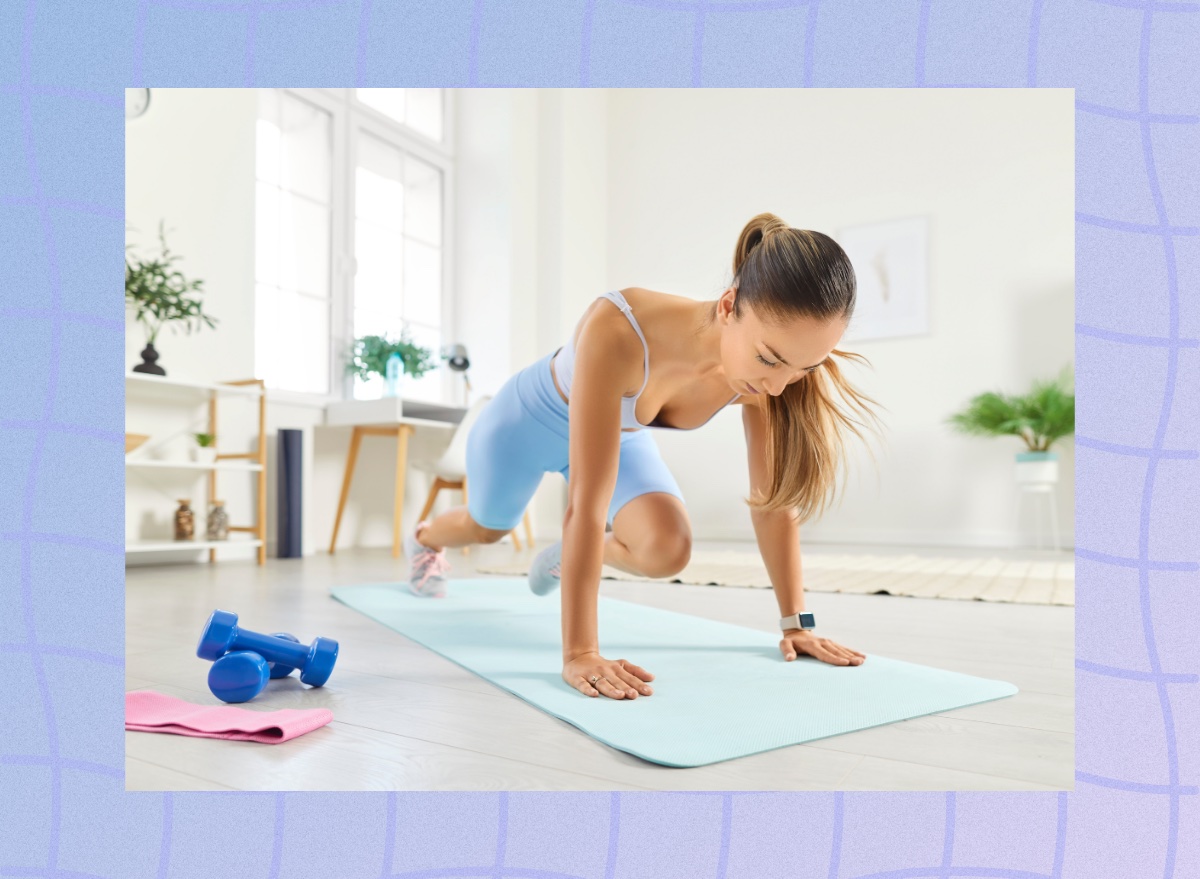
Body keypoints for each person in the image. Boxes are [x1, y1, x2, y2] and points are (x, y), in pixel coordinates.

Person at [403, 212, 885, 701]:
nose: (780, 384)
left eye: (804, 368)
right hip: (524, 424)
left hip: (619, 433)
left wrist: (795, 624)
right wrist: (580, 653)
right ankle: (425, 539)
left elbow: (772, 502)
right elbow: (587, 505)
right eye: (769, 358)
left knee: (666, 550)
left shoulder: (764, 384)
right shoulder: (618, 326)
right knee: (489, 528)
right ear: (728, 305)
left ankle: (563, 559)